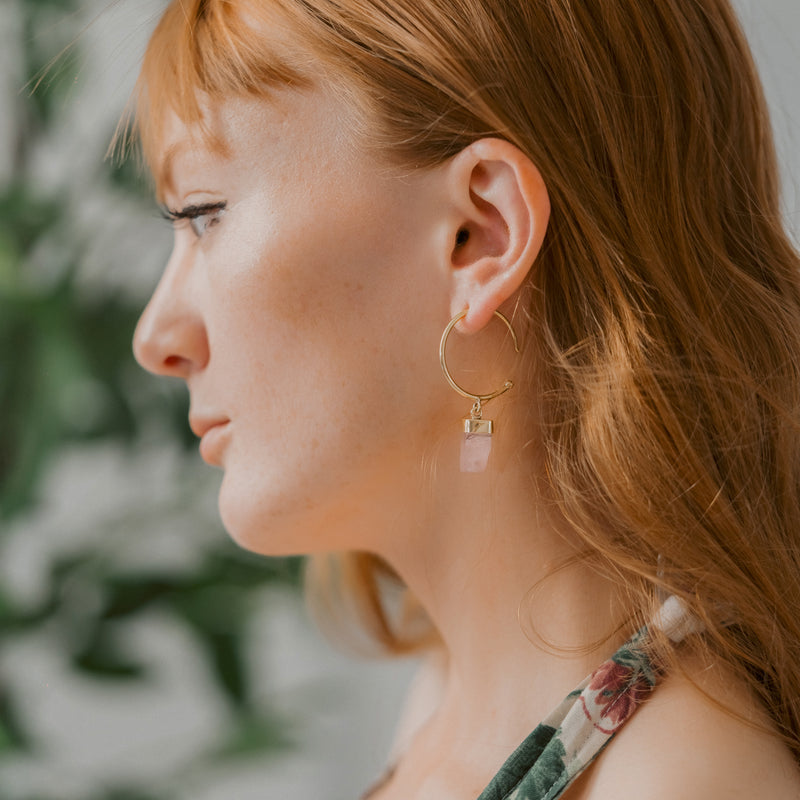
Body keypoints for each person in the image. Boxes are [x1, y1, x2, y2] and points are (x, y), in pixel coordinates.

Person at [130, 0, 800, 797]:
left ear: (479, 234)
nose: (155, 336)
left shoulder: (676, 782)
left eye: (205, 215)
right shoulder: (448, 699)